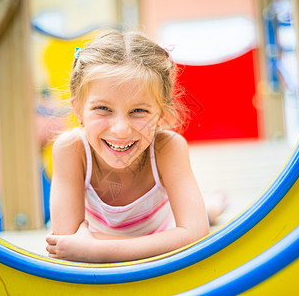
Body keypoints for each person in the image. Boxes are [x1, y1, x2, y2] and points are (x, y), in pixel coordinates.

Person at [45, 29, 224, 263]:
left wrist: (97, 250)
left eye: (138, 111)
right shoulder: (71, 150)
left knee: (205, 215)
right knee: (201, 213)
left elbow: (196, 235)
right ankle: (209, 207)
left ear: (161, 115)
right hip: (163, 238)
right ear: (78, 110)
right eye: (103, 109)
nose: (121, 129)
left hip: (162, 229)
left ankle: (211, 206)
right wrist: (174, 238)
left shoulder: (167, 148)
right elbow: (67, 239)